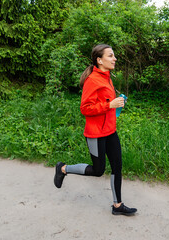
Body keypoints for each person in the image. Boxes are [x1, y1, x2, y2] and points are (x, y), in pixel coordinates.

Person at [54, 44, 137, 216]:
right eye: (111, 56)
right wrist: (109, 104)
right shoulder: (92, 80)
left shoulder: (107, 77)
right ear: (99, 60)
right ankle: (63, 169)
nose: (115, 59)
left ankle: (117, 205)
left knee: (117, 166)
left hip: (110, 131)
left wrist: (116, 103)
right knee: (98, 171)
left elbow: (105, 102)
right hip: (96, 134)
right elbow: (85, 108)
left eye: (114, 56)